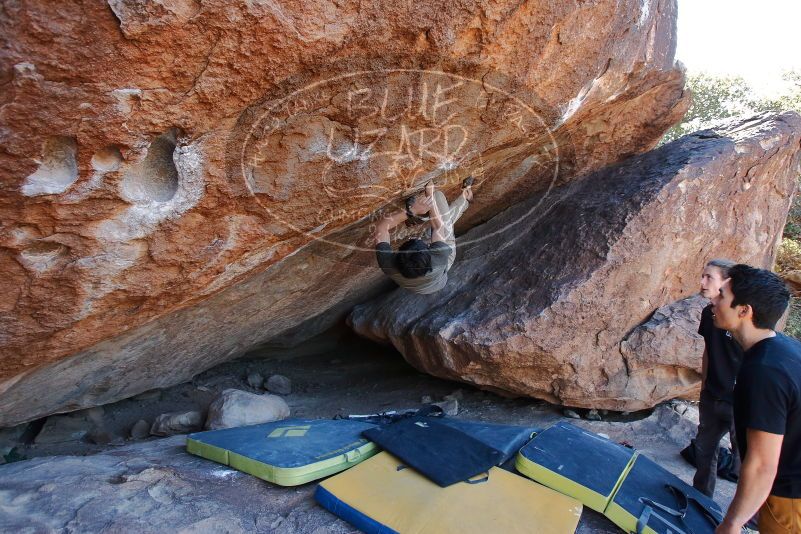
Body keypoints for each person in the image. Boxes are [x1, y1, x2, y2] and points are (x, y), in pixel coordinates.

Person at [711, 264, 800, 534]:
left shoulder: (764, 371)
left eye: (722, 296)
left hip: (789, 499)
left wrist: (732, 523)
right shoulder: (785, 348)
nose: (714, 300)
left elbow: (762, 465)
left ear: (744, 311)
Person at [692, 259, 743, 498]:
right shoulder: (707, 313)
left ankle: (747, 515)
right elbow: (709, 350)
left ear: (726, 283)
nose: (702, 282)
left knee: (744, 459)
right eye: (702, 276)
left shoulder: (741, 318)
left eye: (709, 277)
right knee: (704, 451)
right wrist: (704, 387)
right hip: (712, 395)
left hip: (739, 401)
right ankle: (701, 501)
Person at [373, 178, 473, 294]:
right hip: (440, 274)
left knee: (432, 227)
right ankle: (466, 200)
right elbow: (438, 227)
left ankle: (421, 217)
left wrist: (412, 211)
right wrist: (430, 196)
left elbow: (381, 227)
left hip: (423, 283)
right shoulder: (439, 258)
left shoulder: (388, 264)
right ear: (430, 252)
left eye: (414, 240)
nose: (418, 238)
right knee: (438, 199)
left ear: (398, 256)